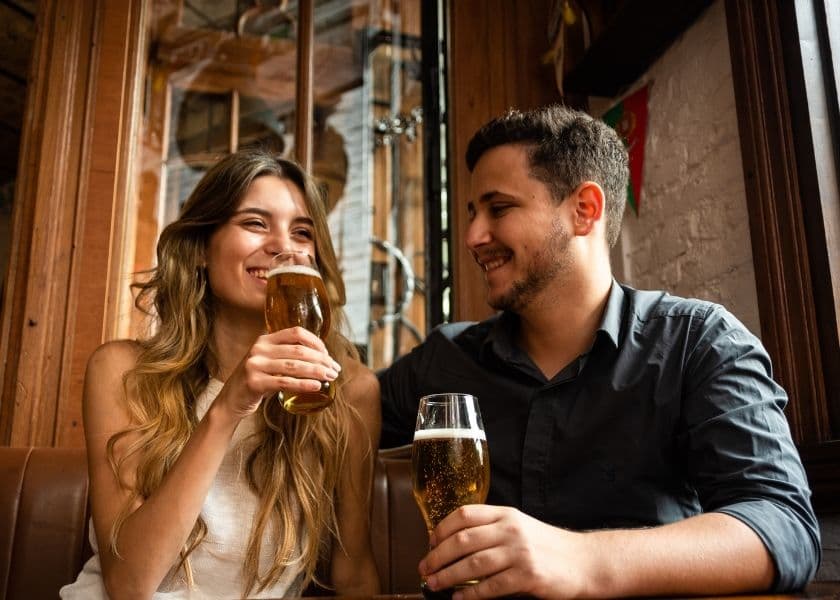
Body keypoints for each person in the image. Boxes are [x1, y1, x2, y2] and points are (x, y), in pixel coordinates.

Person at [379, 105, 820, 599]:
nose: (472, 237)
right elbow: (341, 412)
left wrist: (583, 558)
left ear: (584, 209)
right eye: (471, 214)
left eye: (498, 208)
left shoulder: (698, 342)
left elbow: (783, 526)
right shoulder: (447, 356)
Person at [61, 149, 381, 599]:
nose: (282, 246)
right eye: (255, 223)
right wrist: (229, 405)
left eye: (302, 231)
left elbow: (354, 573)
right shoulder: (124, 372)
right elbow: (129, 585)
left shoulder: (350, 391)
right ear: (200, 251)